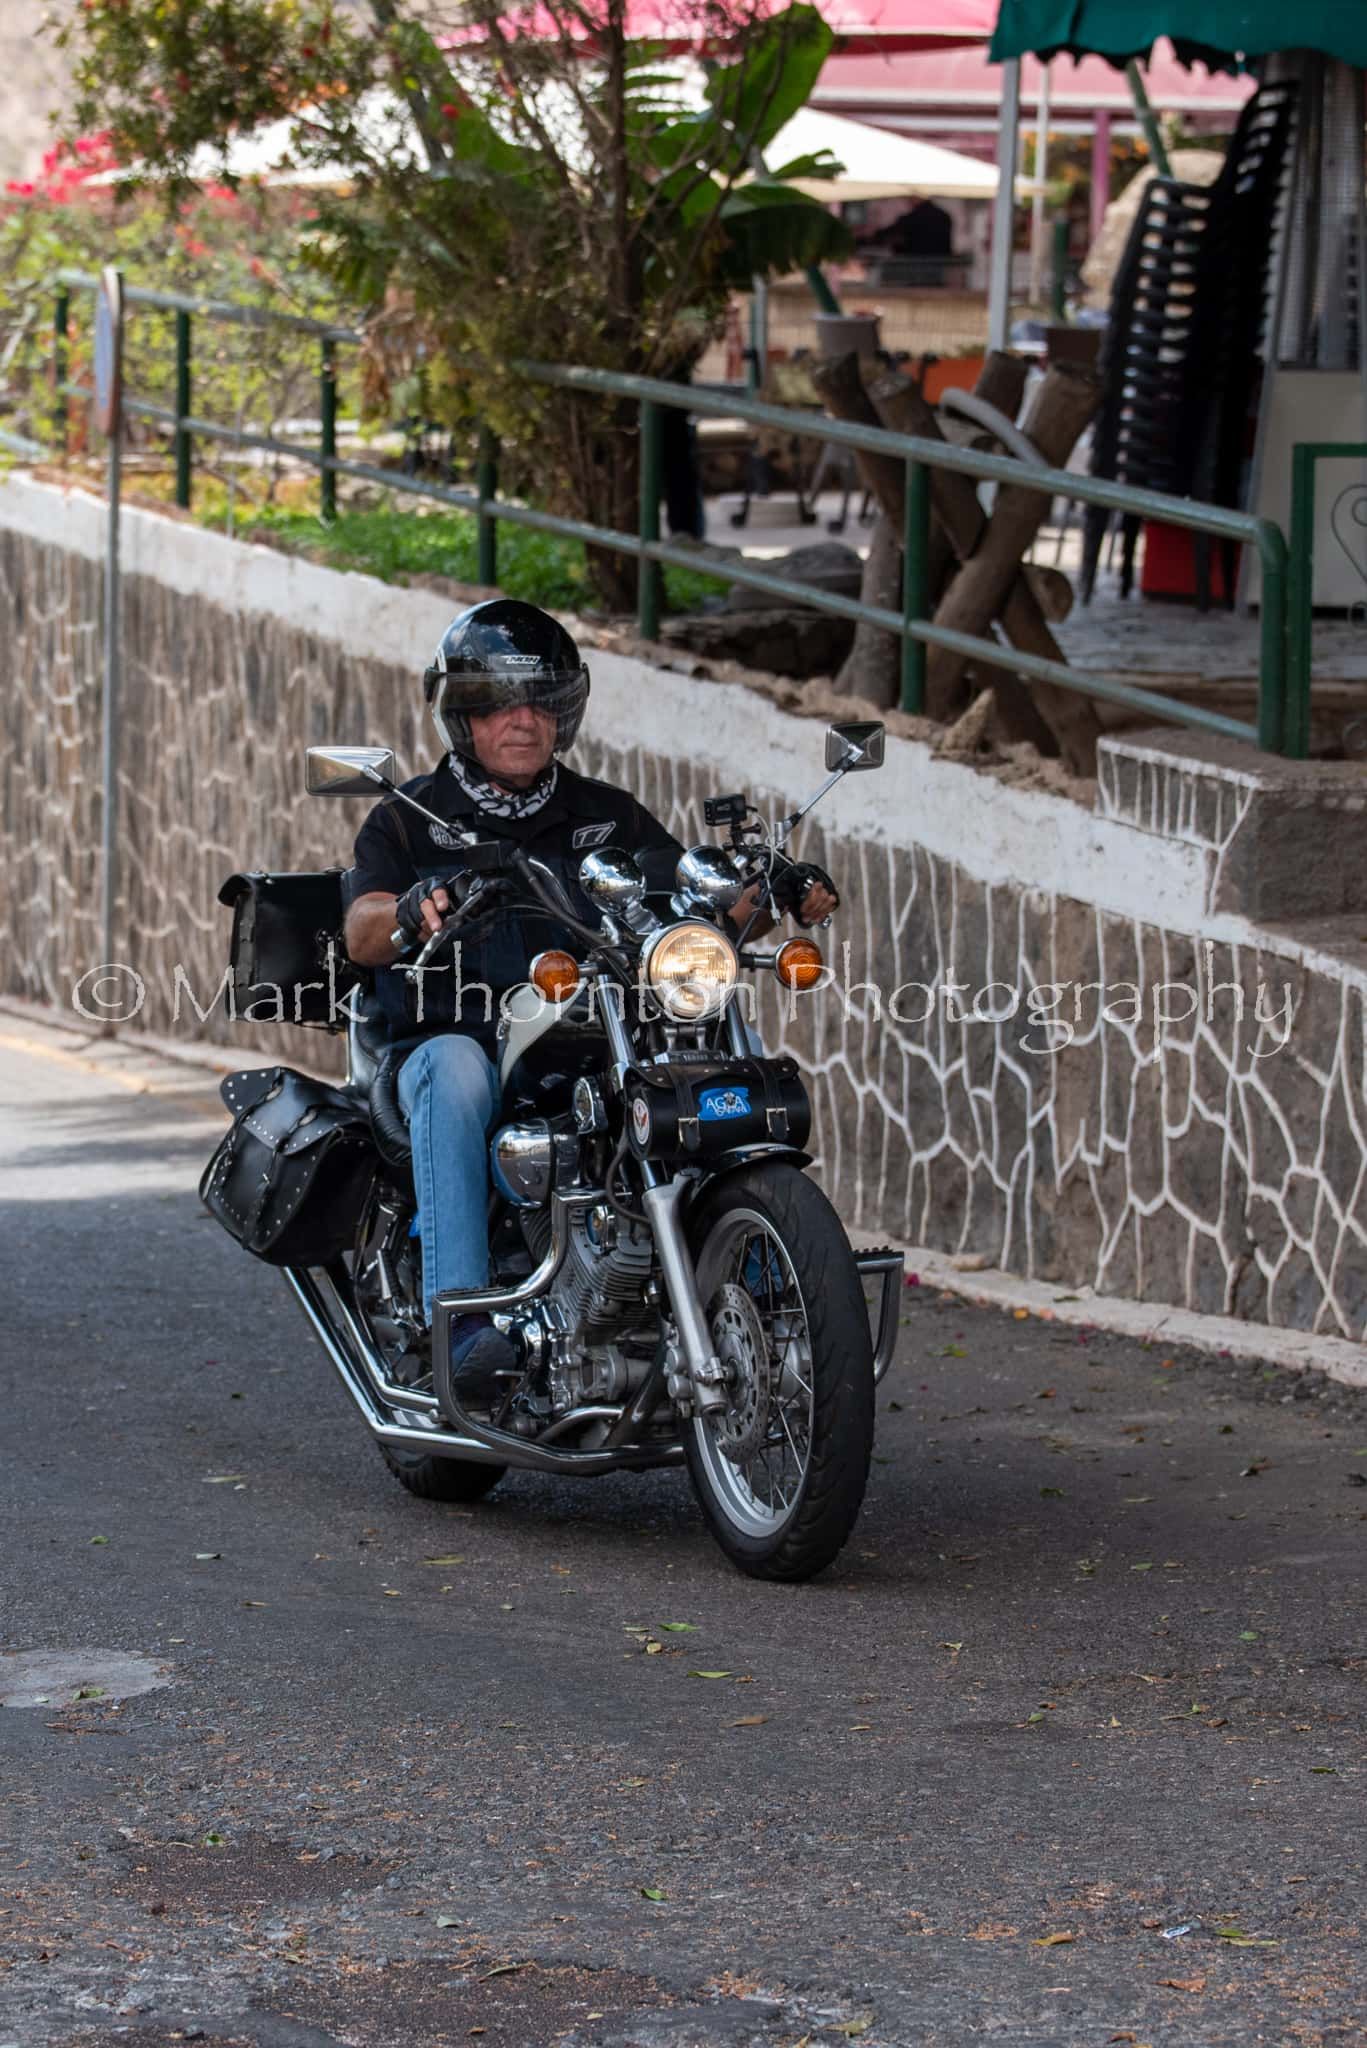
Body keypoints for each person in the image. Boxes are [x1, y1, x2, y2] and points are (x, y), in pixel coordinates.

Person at [342, 598, 837, 1400]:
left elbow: (693, 899)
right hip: (449, 1039)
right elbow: (362, 930)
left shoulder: (604, 814)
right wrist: (408, 908)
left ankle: (760, 1278)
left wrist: (766, 888)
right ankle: (460, 1321)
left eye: (541, 704)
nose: (523, 722)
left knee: (689, 1063)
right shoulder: (411, 818)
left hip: (583, 1030)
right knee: (459, 1070)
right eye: (500, 704)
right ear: (462, 713)